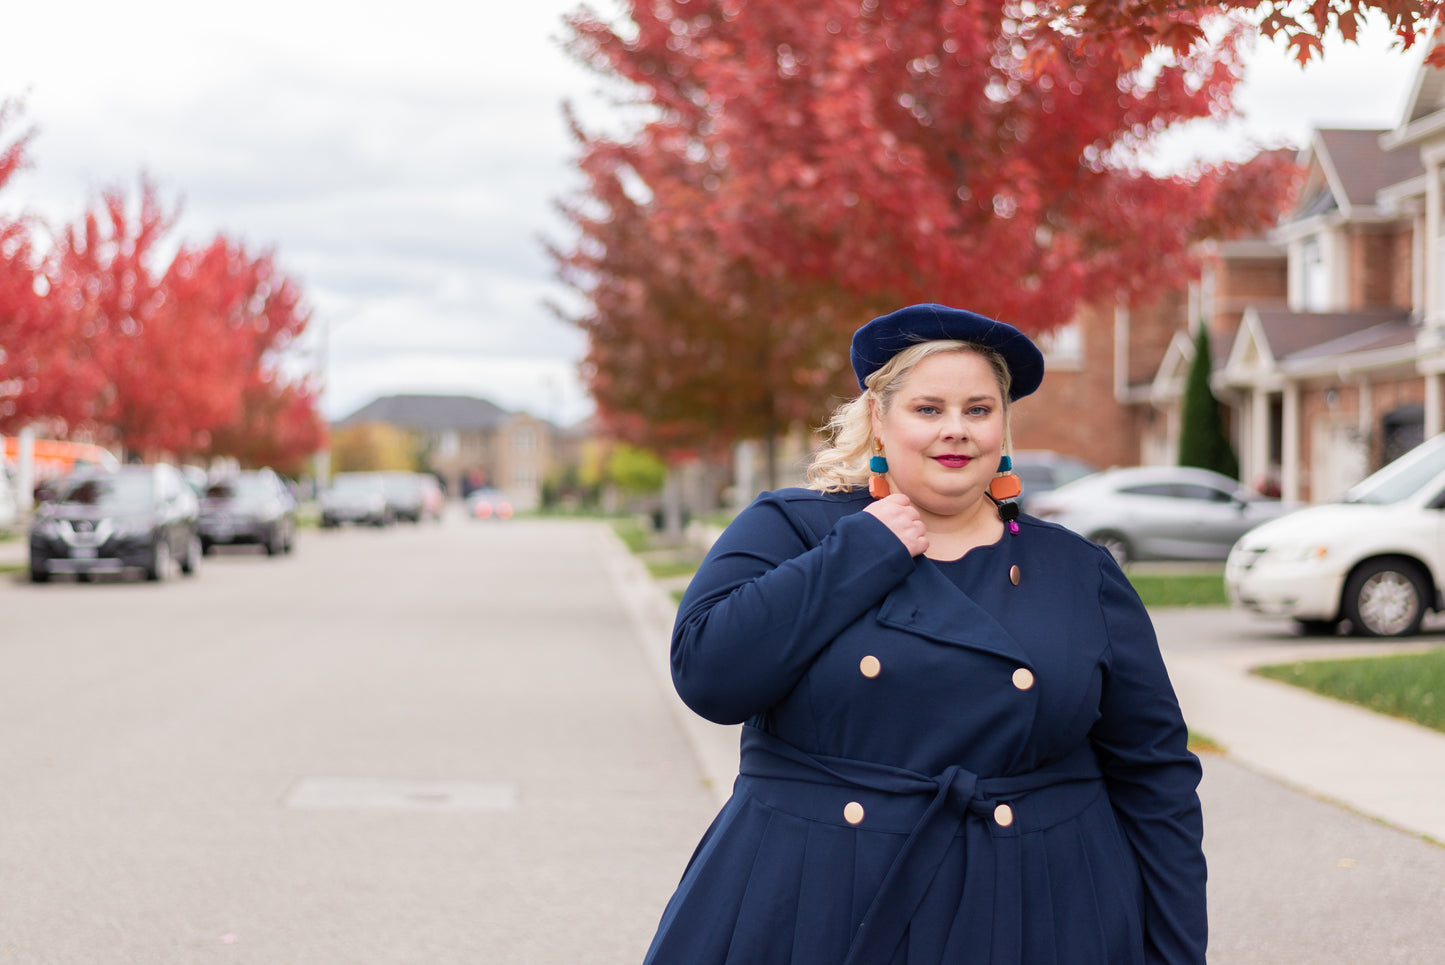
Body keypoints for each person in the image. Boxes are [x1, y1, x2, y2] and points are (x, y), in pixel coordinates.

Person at [642, 304, 1206, 964]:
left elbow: (1155, 775)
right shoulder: (792, 530)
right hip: (818, 899)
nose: (956, 431)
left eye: (977, 409)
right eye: (928, 409)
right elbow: (709, 675)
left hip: (1039, 906)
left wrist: (1175, 951)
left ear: (1003, 426)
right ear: (878, 418)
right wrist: (861, 552)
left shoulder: (1078, 571)